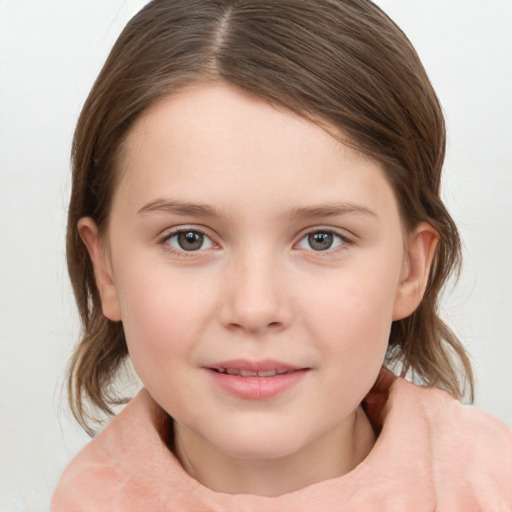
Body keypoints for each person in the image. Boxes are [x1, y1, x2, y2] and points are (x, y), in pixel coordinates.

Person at [51, 0, 512, 510]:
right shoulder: (86, 498)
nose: (254, 308)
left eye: (321, 238)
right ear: (106, 270)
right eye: (189, 238)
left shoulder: (494, 487)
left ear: (410, 269)